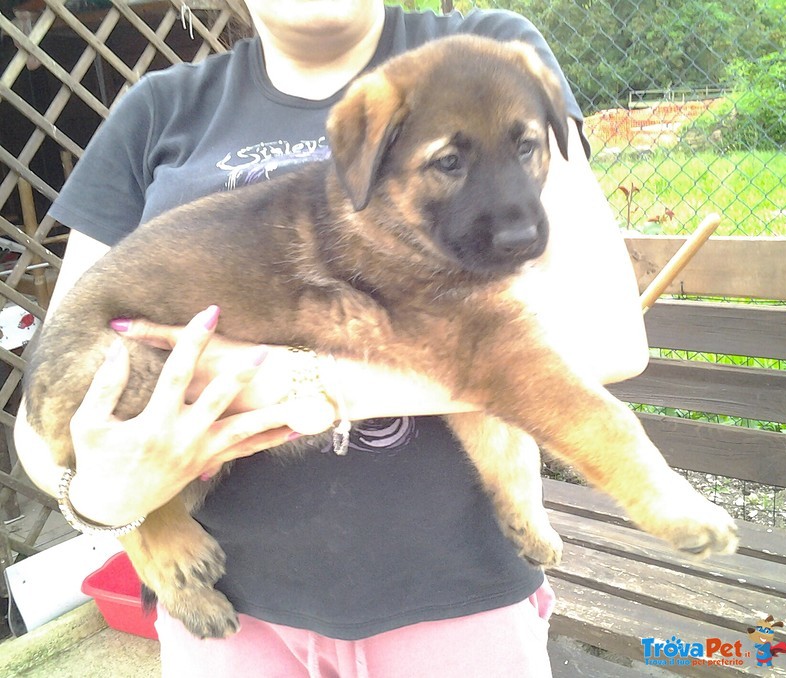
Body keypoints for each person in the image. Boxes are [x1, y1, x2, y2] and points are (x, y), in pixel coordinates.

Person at [14, 1, 649, 676]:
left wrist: (283, 383)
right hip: (233, 616)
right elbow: (52, 392)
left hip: (454, 596)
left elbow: (606, 331)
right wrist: (103, 502)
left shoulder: (486, 51)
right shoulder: (154, 110)